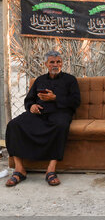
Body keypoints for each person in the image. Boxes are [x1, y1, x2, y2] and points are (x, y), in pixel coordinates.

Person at [5, 51, 80, 187]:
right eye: (52, 62)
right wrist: (31, 106)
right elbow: (29, 99)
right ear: (46, 64)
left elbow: (75, 101)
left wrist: (55, 98)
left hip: (60, 113)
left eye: (58, 62)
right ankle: (19, 169)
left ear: (62, 63)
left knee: (61, 125)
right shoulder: (40, 80)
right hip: (39, 113)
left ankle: (51, 170)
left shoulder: (70, 80)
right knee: (13, 125)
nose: (55, 65)